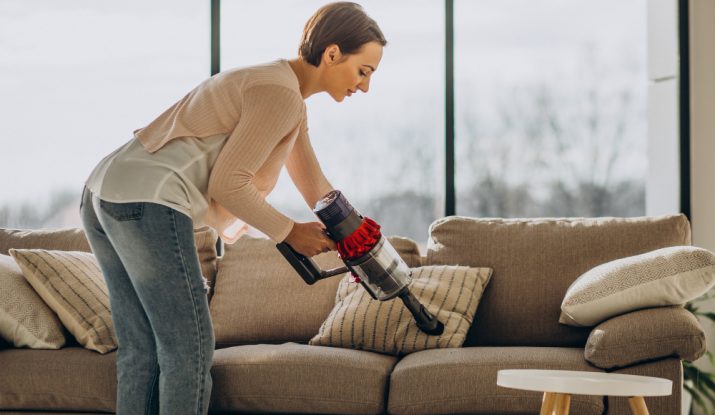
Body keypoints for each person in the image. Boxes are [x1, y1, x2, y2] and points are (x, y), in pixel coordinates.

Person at [79, 2, 386, 414]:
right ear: (332, 54)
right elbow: (229, 183)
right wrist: (289, 232)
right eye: (363, 71)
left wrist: (354, 231)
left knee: (142, 348)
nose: (365, 87)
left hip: (105, 191)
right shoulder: (280, 95)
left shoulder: (277, 87)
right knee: (189, 348)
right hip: (148, 199)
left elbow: (313, 182)